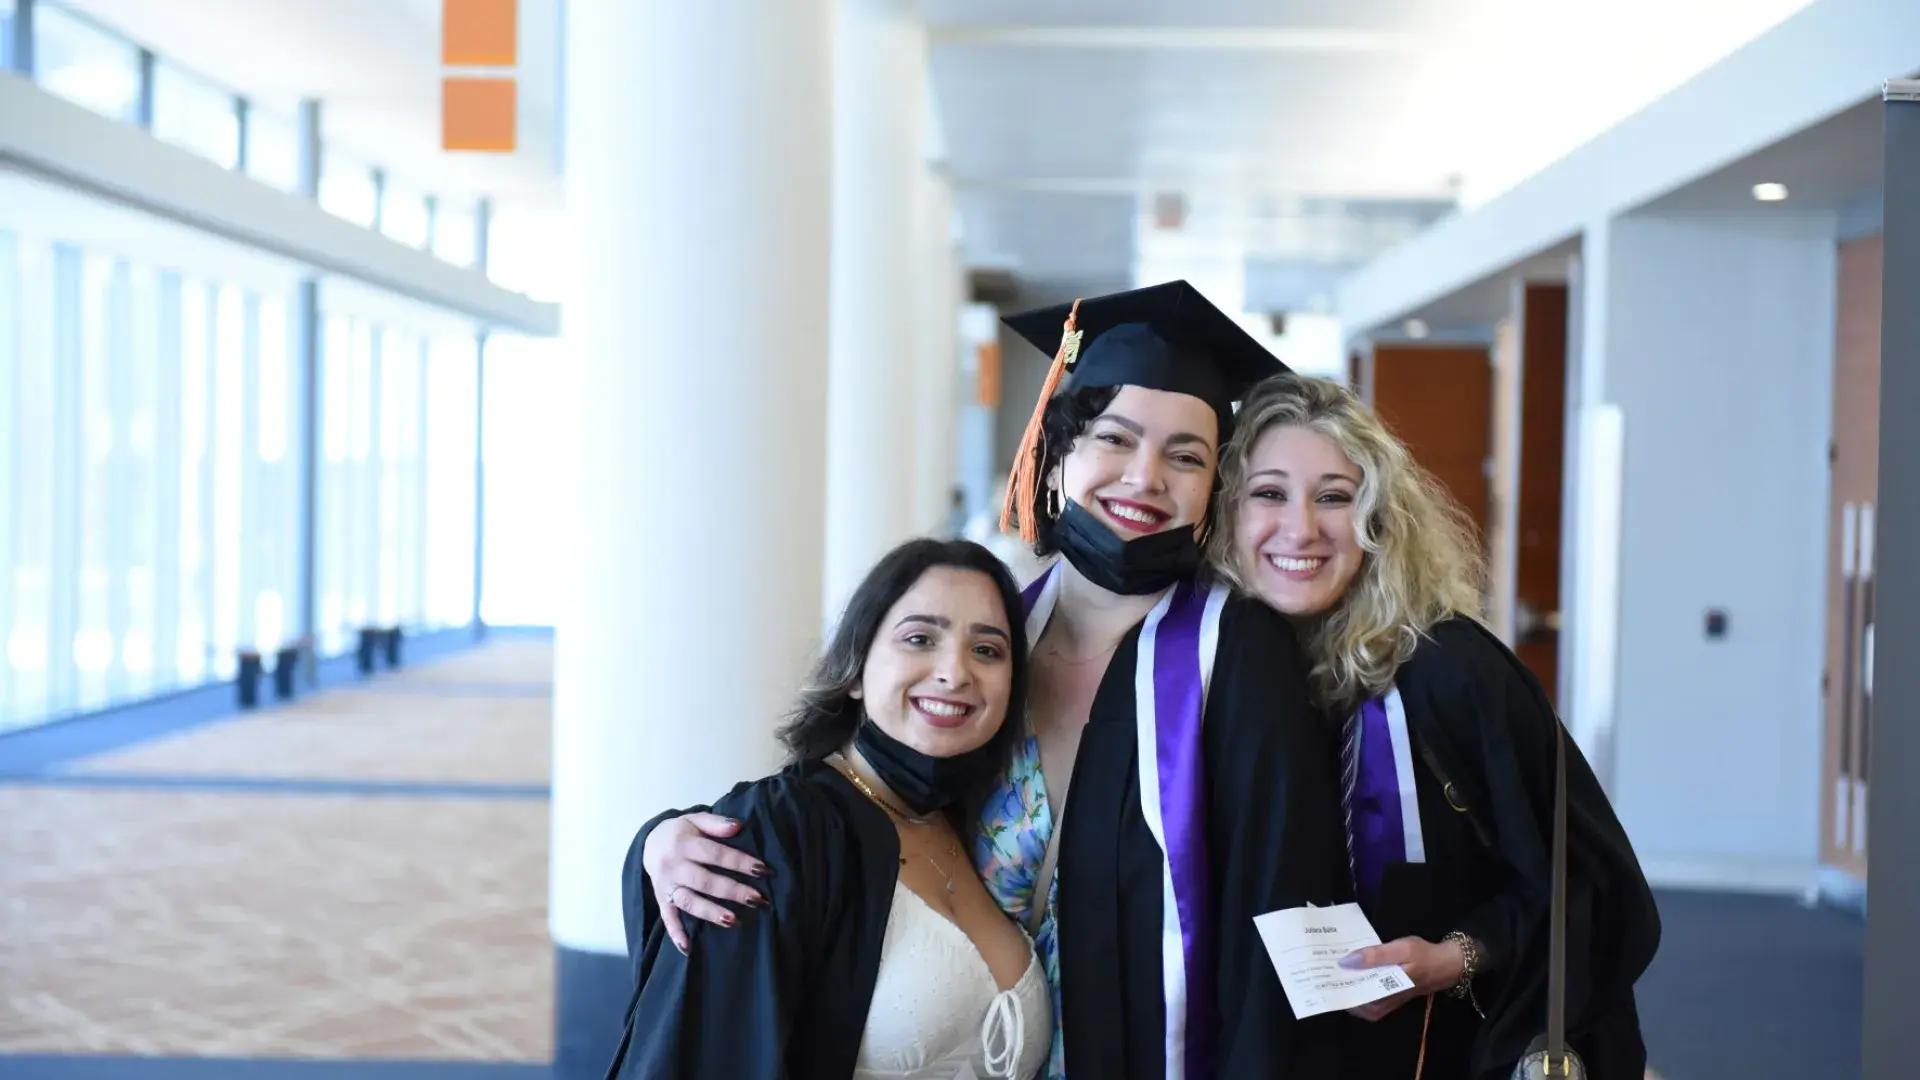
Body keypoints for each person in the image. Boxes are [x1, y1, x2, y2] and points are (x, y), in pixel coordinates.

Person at [640, 281, 1352, 1080]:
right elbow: (852, 792)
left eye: (1186, 455)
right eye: (1114, 439)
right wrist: (668, 840)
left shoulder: (1239, 657)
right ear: (1054, 457)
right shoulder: (995, 635)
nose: (1146, 477)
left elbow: (1284, 913)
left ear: (1212, 488)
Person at [1211, 372, 1661, 1080]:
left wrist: (1455, 957)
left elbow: (1587, 883)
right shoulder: (1207, 680)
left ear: (1379, 519)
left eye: (1335, 497)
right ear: (1225, 514)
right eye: (1269, 493)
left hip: (1439, 1052)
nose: (1301, 528)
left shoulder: (1453, 672)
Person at [604, 537, 1052, 1079]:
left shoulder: (983, 826)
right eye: (919, 638)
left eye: (987, 650)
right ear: (857, 667)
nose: (954, 672)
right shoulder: (780, 831)